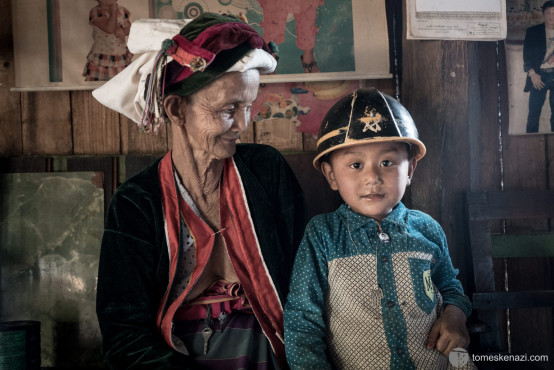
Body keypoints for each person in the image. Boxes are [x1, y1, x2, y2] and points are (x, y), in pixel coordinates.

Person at [92, 13, 307, 368]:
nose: (243, 125)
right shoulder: (137, 203)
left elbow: (307, 289)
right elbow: (124, 338)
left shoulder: (267, 172)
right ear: (177, 109)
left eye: (248, 106)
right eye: (228, 110)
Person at [284, 88, 473, 369]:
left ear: (409, 169)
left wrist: (456, 315)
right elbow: (302, 320)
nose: (372, 177)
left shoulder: (427, 229)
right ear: (331, 175)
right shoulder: (323, 235)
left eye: (387, 162)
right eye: (356, 165)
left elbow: (449, 286)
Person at [523, 0, 554, 133]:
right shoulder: (533, 32)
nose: (551, 16)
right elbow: (526, 57)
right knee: (533, 115)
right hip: (538, 76)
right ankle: (530, 148)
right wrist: (532, 74)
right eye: (548, 13)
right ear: (543, 14)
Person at [83, 0, 132, 81]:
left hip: (120, 55)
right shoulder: (96, 12)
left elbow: (129, 28)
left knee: (122, 82)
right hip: (102, 56)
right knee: (100, 83)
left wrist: (123, 31)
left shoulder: (122, 10)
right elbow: (109, 29)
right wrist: (113, 12)